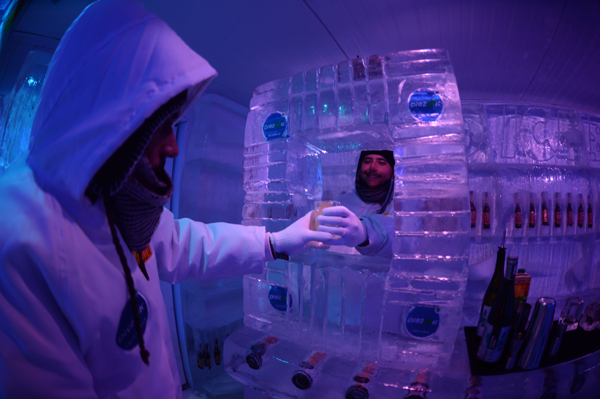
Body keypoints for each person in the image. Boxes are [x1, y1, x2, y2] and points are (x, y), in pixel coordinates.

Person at [0, 0, 332, 398]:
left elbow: (182, 245)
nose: (173, 147)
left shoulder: (113, 194)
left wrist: (275, 242)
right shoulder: (18, 241)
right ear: (115, 127)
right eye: (163, 128)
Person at [316, 151, 394, 257]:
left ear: (393, 171)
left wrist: (365, 233)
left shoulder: (398, 207)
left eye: (381, 163)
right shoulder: (341, 203)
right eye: (367, 161)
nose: (373, 168)